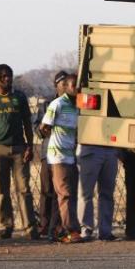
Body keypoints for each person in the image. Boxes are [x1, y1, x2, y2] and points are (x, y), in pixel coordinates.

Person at [0, 64, 39, 240]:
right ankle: (6, 226)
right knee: (2, 191)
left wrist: (30, 146)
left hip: (19, 148)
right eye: (3, 76)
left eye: (9, 76)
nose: (7, 79)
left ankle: (30, 228)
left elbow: (27, 123)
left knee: (24, 189)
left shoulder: (19, 97)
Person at [39, 71, 82, 243]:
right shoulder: (57, 104)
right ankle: (69, 231)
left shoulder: (77, 106)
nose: (76, 88)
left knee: (70, 194)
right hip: (57, 156)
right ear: (65, 88)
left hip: (71, 155)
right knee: (64, 193)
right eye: (73, 86)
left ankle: (60, 230)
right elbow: (44, 127)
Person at [33, 79, 61, 240]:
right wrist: (46, 131)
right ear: (56, 86)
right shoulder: (46, 104)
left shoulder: (73, 103)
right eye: (62, 84)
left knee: (62, 191)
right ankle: (44, 223)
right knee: (47, 189)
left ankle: (58, 224)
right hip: (48, 151)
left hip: (65, 152)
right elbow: (37, 127)